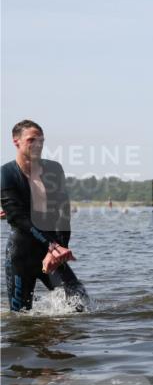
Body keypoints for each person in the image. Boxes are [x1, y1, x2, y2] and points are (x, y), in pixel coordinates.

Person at [1, 120, 89, 311]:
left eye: (41, 140)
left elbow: (63, 212)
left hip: (51, 251)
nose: (38, 144)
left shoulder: (54, 169)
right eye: (31, 140)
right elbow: (16, 216)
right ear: (16, 141)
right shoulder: (7, 173)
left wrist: (59, 249)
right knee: (21, 317)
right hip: (21, 254)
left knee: (80, 305)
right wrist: (52, 245)